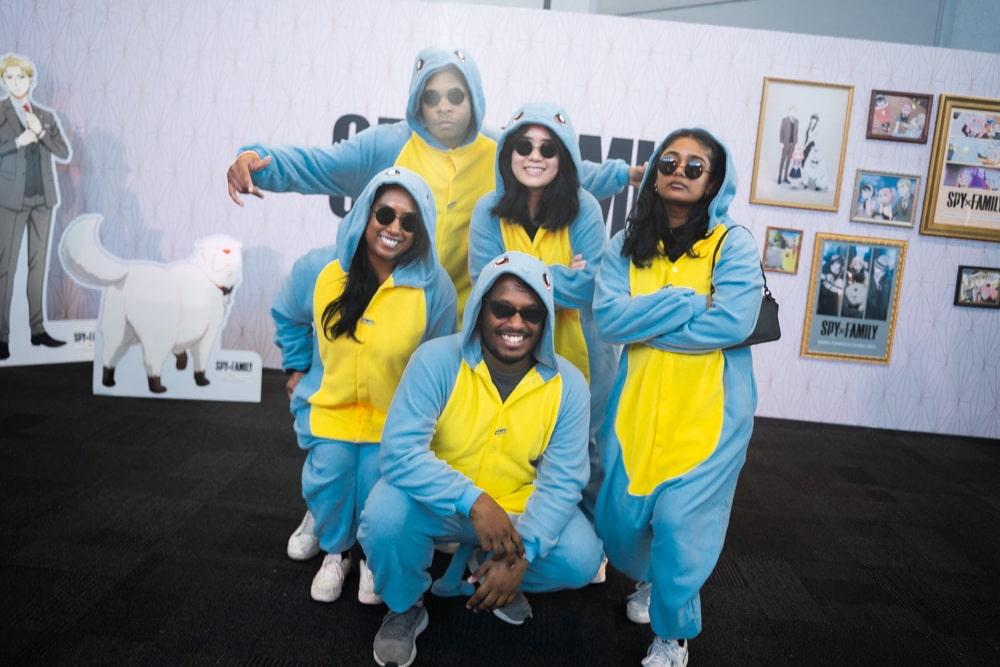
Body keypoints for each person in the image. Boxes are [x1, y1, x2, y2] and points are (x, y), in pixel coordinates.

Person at [228, 47, 640, 558]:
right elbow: (319, 166)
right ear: (417, 102)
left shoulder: (499, 150)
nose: (444, 106)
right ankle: (329, 509)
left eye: (456, 95)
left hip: (461, 323)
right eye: (432, 96)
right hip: (388, 309)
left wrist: (623, 174)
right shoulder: (389, 145)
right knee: (347, 428)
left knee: (447, 437)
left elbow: (566, 169)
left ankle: (473, 525)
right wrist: (256, 162)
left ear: (474, 99)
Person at [357, 251, 604, 667]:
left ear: (545, 320)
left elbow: (563, 482)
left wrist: (523, 556)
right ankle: (405, 605)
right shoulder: (436, 360)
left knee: (583, 557)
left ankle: (492, 567)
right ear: (480, 308)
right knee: (383, 516)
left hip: (515, 508)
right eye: (502, 309)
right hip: (440, 501)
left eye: (531, 313)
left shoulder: (570, 385)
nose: (516, 323)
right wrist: (473, 501)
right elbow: (400, 452)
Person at [592, 128, 762, 667]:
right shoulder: (625, 245)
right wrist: (684, 303)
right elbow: (609, 320)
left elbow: (733, 322)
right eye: (669, 162)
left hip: (709, 415)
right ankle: (653, 577)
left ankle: (673, 634)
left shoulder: (732, 244)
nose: (679, 172)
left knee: (680, 526)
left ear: (713, 181)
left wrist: (646, 324)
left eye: (694, 166)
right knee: (621, 523)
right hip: (635, 410)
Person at [271, 166, 457, 605]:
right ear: (366, 213)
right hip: (330, 410)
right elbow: (287, 312)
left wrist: (426, 420)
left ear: (421, 230)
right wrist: (296, 367)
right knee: (331, 474)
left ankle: (373, 555)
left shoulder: (436, 289)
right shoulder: (321, 269)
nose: (394, 228)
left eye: (408, 221)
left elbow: (440, 361)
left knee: (378, 485)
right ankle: (336, 551)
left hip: (394, 422)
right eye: (385, 214)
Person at [468, 102, 617, 523]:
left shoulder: (585, 208)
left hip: (582, 354)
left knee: (584, 451)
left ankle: (588, 538)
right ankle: (513, 531)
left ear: (564, 156)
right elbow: (485, 283)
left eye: (548, 148)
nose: (535, 156)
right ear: (508, 152)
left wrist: (515, 274)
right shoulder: (487, 210)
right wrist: (558, 274)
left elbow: (588, 286)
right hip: (509, 351)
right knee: (514, 443)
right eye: (524, 146)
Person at [0, 53, 72, 360]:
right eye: (9, 77)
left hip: (43, 200)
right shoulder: (0, 112)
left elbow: (64, 152)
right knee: (5, 268)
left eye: (21, 77)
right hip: (10, 201)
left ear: (31, 80)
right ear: (3, 82)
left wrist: (40, 133)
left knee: (37, 266)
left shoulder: (45, 115)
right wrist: (19, 141)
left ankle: (38, 330)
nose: (16, 83)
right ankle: (1, 337)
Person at [864, 252, 894, 321]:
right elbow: (869, 300)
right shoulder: (869, 280)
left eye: (882, 271)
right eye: (876, 268)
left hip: (883, 318)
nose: (878, 272)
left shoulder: (888, 283)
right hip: (870, 317)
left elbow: (887, 303)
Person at [816, 252, 845, 316]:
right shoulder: (824, 276)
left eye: (839, 264)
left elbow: (839, 301)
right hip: (820, 311)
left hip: (831, 314)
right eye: (833, 263)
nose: (832, 265)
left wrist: (838, 315)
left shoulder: (840, 282)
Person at [777, 106, 798, 184]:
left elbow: (796, 132)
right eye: (792, 111)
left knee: (788, 161)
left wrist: (795, 143)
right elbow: (781, 131)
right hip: (785, 143)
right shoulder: (785, 120)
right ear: (789, 111)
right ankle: (779, 177)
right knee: (782, 160)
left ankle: (785, 177)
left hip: (792, 144)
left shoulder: (797, 121)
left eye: (794, 111)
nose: (793, 112)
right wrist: (781, 142)